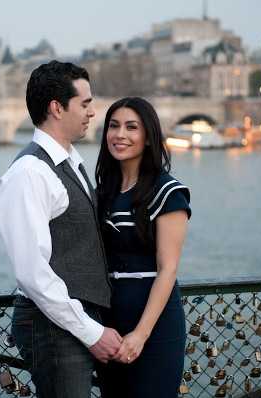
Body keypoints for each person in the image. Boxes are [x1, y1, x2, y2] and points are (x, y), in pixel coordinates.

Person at [0, 60, 123, 398]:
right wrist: (91, 332)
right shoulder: (30, 173)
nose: (93, 112)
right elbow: (33, 272)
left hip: (72, 320)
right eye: (85, 103)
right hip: (53, 327)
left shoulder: (70, 162)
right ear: (56, 107)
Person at [95, 97, 191, 397]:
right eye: (113, 126)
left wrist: (141, 334)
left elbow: (168, 269)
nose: (119, 134)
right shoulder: (104, 192)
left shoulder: (167, 191)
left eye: (131, 127)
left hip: (154, 326)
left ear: (148, 137)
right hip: (108, 326)